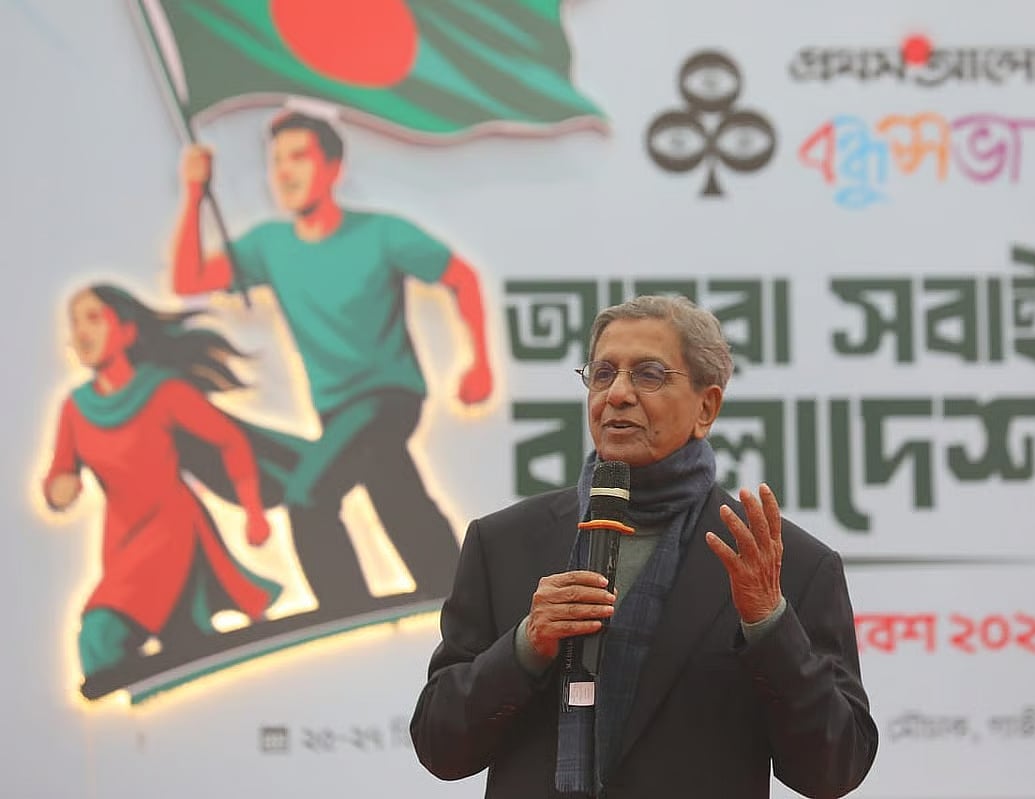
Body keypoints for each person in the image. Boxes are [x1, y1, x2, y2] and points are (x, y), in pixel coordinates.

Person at [411, 295, 877, 798]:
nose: (618, 394)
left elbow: (835, 769)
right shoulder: (503, 544)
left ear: (707, 406)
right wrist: (525, 647)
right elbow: (441, 746)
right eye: (603, 373)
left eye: (650, 375)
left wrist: (768, 624)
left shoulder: (781, 564)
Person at [171, 110, 493, 613]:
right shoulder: (269, 246)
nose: (285, 172)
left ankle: (345, 608)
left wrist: (480, 365)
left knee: (308, 498)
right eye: (276, 161)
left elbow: (462, 278)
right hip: (336, 411)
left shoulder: (381, 234)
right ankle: (458, 596)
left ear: (333, 168)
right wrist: (194, 194)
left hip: (388, 396)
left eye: (298, 157)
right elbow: (189, 279)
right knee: (394, 488)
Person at [42, 284, 283, 692]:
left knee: (101, 630)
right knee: (185, 636)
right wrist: (58, 489)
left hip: (170, 530)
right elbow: (61, 471)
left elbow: (230, 440)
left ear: (128, 332)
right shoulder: (76, 407)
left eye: (94, 318)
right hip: (121, 540)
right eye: (75, 322)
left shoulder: (162, 391)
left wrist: (254, 511)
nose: (81, 332)